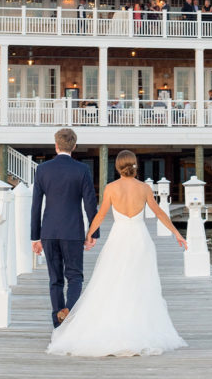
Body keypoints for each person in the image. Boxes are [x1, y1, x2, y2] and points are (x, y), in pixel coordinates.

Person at [47, 149, 187, 358]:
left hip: (118, 239)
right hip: (139, 240)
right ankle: (137, 329)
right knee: (139, 285)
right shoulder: (144, 188)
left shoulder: (111, 188)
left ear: (118, 167)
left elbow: (100, 214)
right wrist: (177, 234)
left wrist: (89, 235)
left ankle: (113, 325)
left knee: (112, 282)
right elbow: (159, 213)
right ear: (135, 165)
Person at [30, 127, 98, 328]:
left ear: (56, 145)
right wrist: (93, 232)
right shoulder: (82, 170)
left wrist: (35, 237)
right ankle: (70, 316)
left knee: (55, 279)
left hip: (49, 232)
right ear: (74, 146)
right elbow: (90, 203)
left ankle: (57, 324)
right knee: (75, 277)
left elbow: (35, 206)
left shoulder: (43, 169)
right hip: (73, 231)